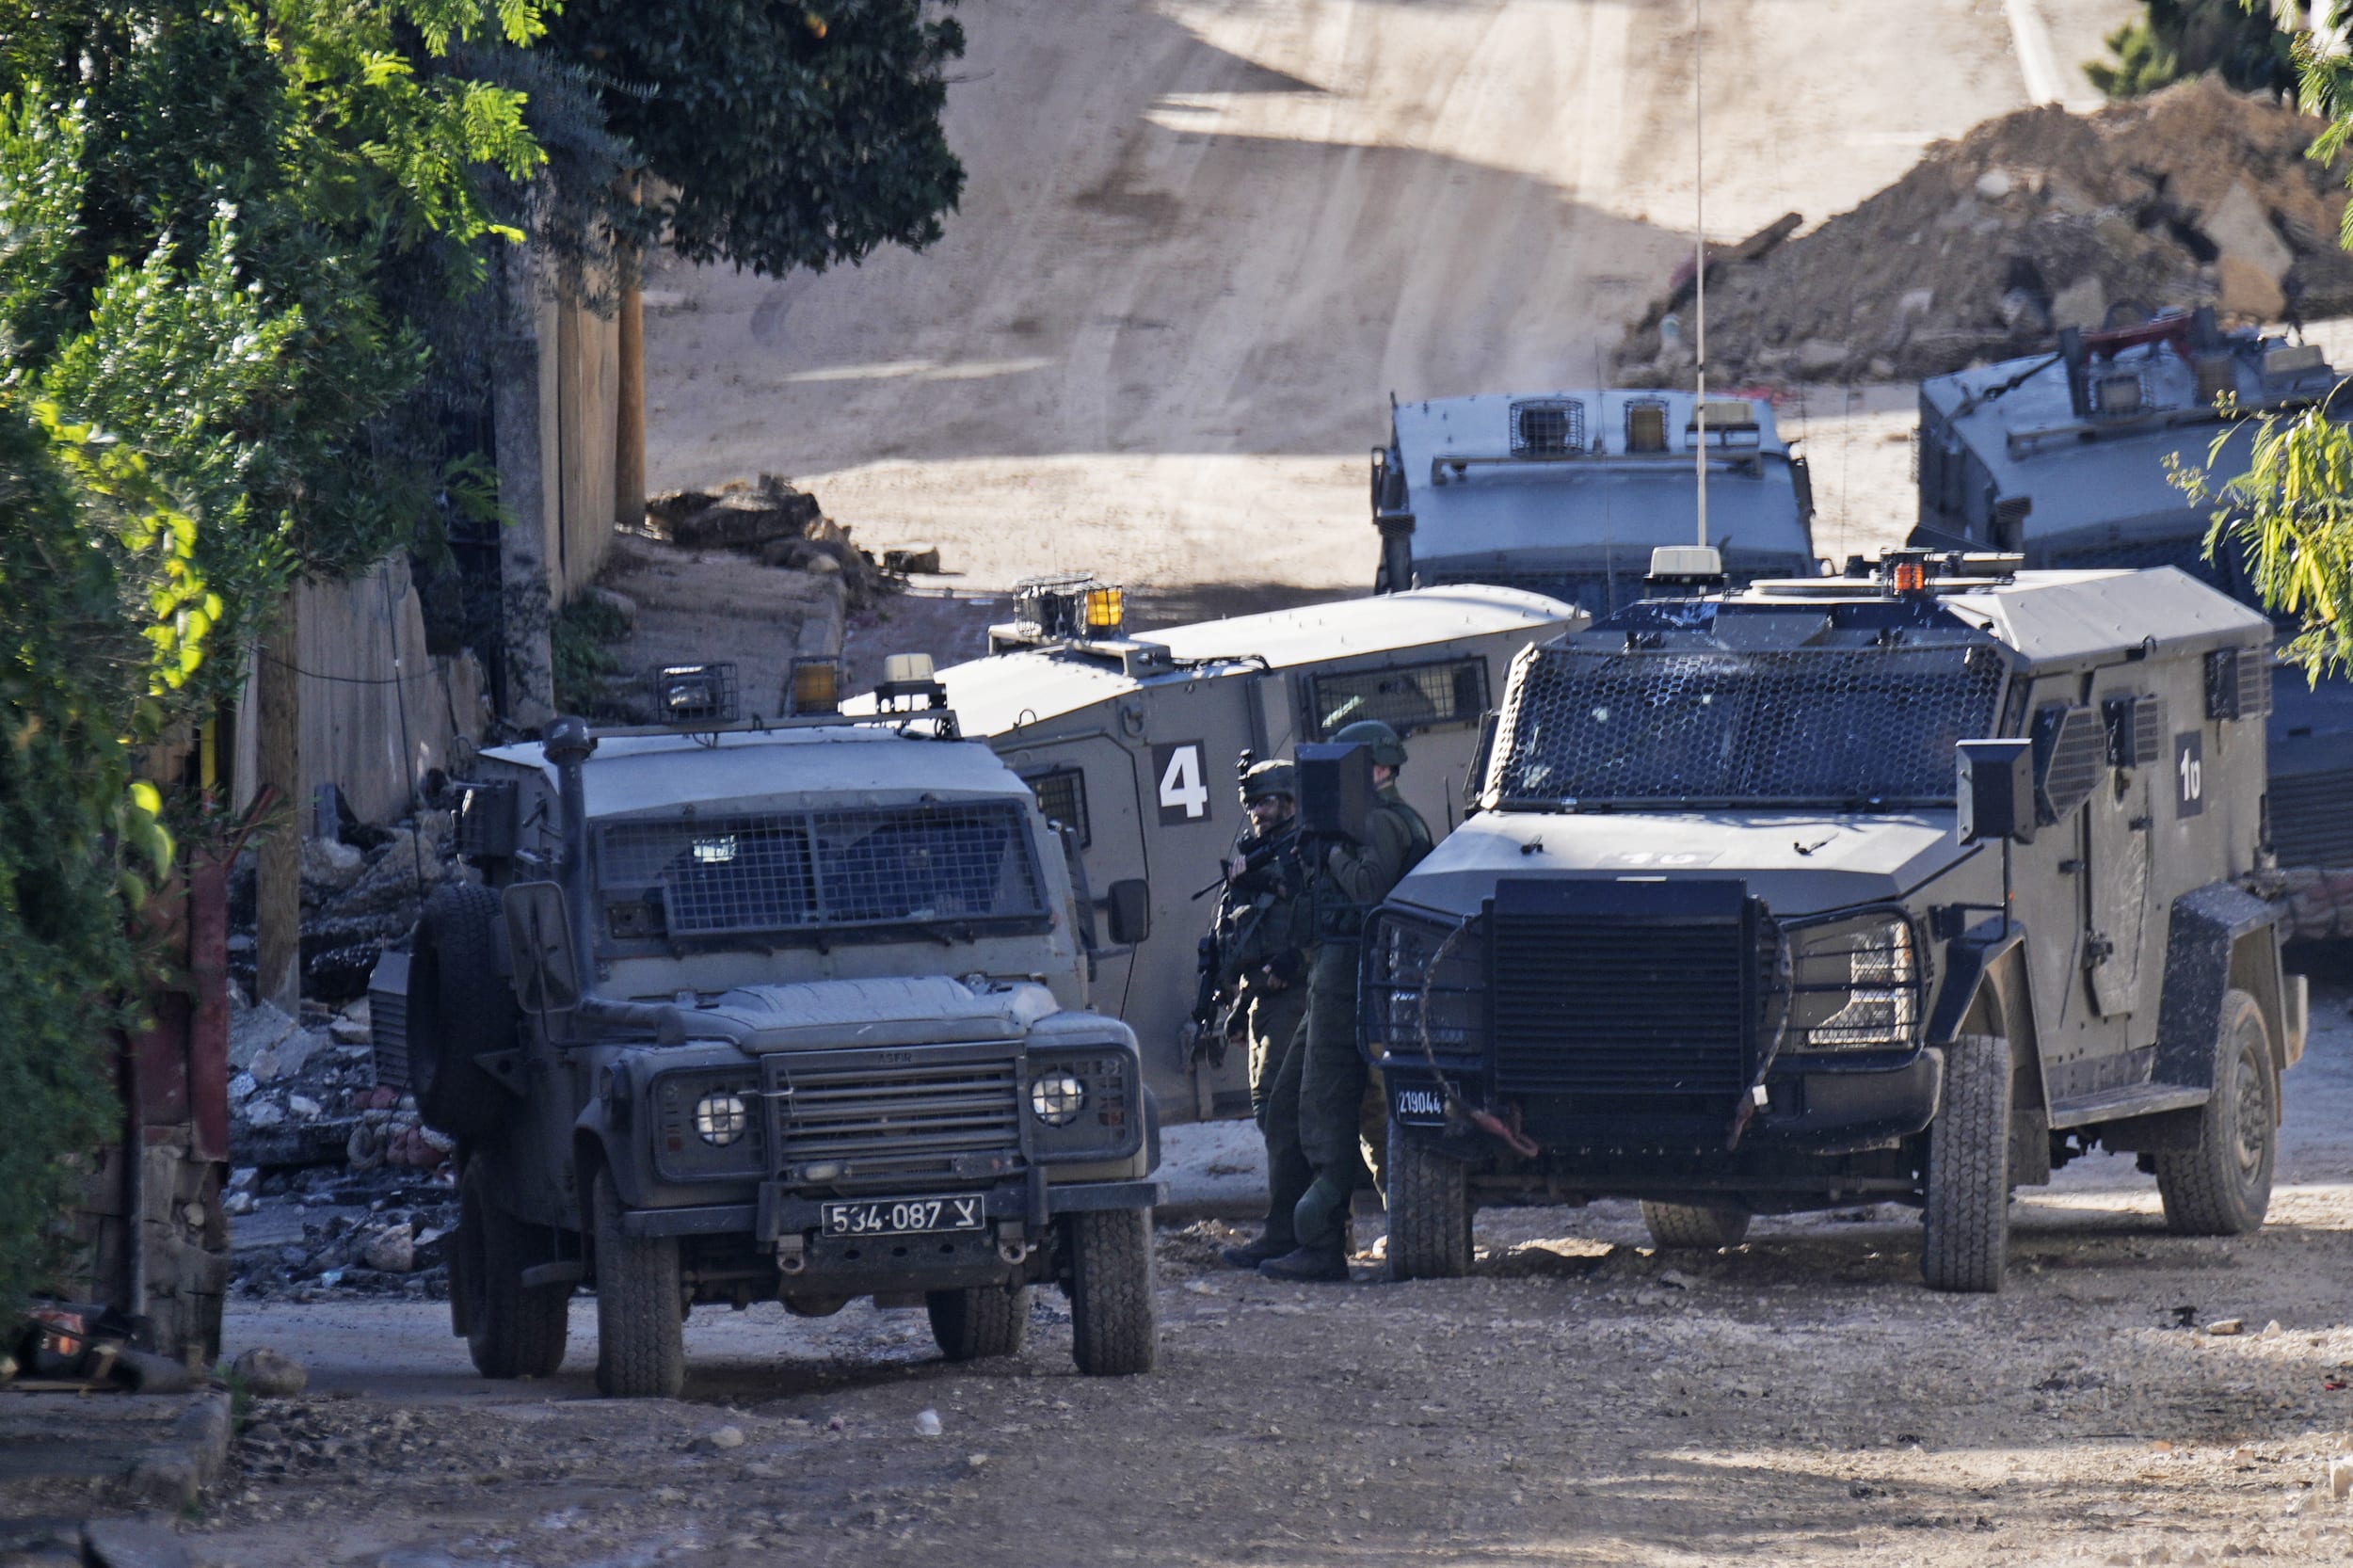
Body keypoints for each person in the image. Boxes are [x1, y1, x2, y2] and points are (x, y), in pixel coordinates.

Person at [1259, 718, 1433, 1284]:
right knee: (1292, 1101)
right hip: (1334, 973)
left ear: (1377, 768)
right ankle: (1292, 1231)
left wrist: (1331, 850)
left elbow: (1368, 890)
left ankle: (1322, 1240)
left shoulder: (1381, 820)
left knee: (1323, 1103)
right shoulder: (1371, 818)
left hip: (1352, 973)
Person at [1201, 760, 1318, 1270]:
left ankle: (1291, 1231)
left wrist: (1287, 968)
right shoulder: (1256, 858)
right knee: (1270, 1110)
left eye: (1265, 802)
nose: (1256, 813)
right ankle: (1302, 1225)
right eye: (1251, 804)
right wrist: (1235, 999)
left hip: (1293, 997)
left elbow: (1313, 926)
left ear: (1289, 802)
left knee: (1281, 1110)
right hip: (1260, 1001)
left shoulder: (1300, 855)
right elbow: (1240, 932)